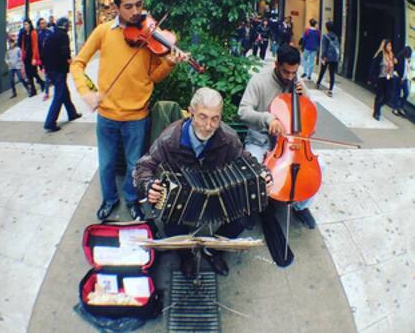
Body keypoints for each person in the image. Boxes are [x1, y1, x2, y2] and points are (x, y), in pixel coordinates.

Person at [70, 0, 186, 221]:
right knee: (106, 165)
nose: (136, 12)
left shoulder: (150, 35)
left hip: (137, 117)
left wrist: (168, 64)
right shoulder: (103, 32)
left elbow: (153, 77)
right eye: (128, 7)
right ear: (116, 8)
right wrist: (87, 91)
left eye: (139, 5)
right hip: (107, 116)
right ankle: (109, 200)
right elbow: (78, 63)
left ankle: (132, 200)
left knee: (135, 165)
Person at [134, 87, 270, 278]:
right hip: (182, 197)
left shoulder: (228, 138)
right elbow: (144, 165)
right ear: (191, 112)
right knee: (171, 224)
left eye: (215, 118)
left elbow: (244, 158)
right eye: (203, 117)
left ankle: (213, 249)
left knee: (246, 215)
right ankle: (186, 255)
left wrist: (262, 173)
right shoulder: (170, 138)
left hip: (218, 197)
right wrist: (148, 185)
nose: (208, 125)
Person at [238, 44, 316, 229]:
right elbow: (243, 111)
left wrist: (305, 97)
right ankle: (250, 209)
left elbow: (309, 113)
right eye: (285, 72)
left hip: (289, 144)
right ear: (276, 64)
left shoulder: (297, 84)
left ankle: (300, 206)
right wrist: (267, 118)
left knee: (316, 169)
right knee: (251, 169)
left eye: (293, 72)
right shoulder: (259, 81)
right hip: (260, 139)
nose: (289, 77)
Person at [43, 17, 81, 132]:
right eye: (68, 25)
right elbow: (65, 52)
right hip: (59, 69)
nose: (69, 27)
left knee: (64, 92)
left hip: (50, 70)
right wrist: (69, 60)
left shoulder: (51, 35)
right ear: (64, 25)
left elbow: (44, 52)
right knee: (59, 95)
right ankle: (50, 122)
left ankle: (72, 113)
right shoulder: (63, 36)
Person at [20, 18, 45, 96]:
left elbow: (35, 46)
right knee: (28, 73)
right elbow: (22, 45)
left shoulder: (33, 33)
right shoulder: (24, 34)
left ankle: (41, 82)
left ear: (30, 24)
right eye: (24, 24)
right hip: (26, 57)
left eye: (26, 24)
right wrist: (22, 55)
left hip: (32, 56)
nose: (25, 26)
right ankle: (33, 90)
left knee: (33, 72)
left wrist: (34, 57)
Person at [372, 39, 397, 120]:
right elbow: (375, 65)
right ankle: (376, 112)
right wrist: (373, 77)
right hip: (381, 77)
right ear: (385, 46)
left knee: (388, 96)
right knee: (379, 96)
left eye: (391, 46)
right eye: (388, 45)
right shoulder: (381, 54)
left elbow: (393, 66)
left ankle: (378, 106)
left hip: (389, 78)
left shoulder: (392, 55)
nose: (390, 47)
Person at [316, 21, 340, 96]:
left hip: (326, 57)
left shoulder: (325, 36)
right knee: (332, 73)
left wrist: (323, 56)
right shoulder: (336, 36)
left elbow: (324, 48)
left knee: (322, 71)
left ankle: (318, 83)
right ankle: (330, 90)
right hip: (334, 58)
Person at [391, 46, 413, 116]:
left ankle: (401, 107)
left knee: (406, 93)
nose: (409, 56)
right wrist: (401, 78)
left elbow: (407, 69)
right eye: (409, 54)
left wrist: (409, 64)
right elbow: (397, 69)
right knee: (397, 93)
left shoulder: (408, 59)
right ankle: (395, 108)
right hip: (398, 77)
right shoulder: (399, 58)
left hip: (404, 78)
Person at [37, 17, 53, 101]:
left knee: (54, 74)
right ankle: (46, 93)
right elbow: (38, 48)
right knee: (47, 76)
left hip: (52, 57)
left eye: (44, 22)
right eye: (41, 23)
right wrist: (40, 63)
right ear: (39, 25)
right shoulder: (39, 35)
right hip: (45, 59)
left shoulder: (50, 32)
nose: (43, 24)